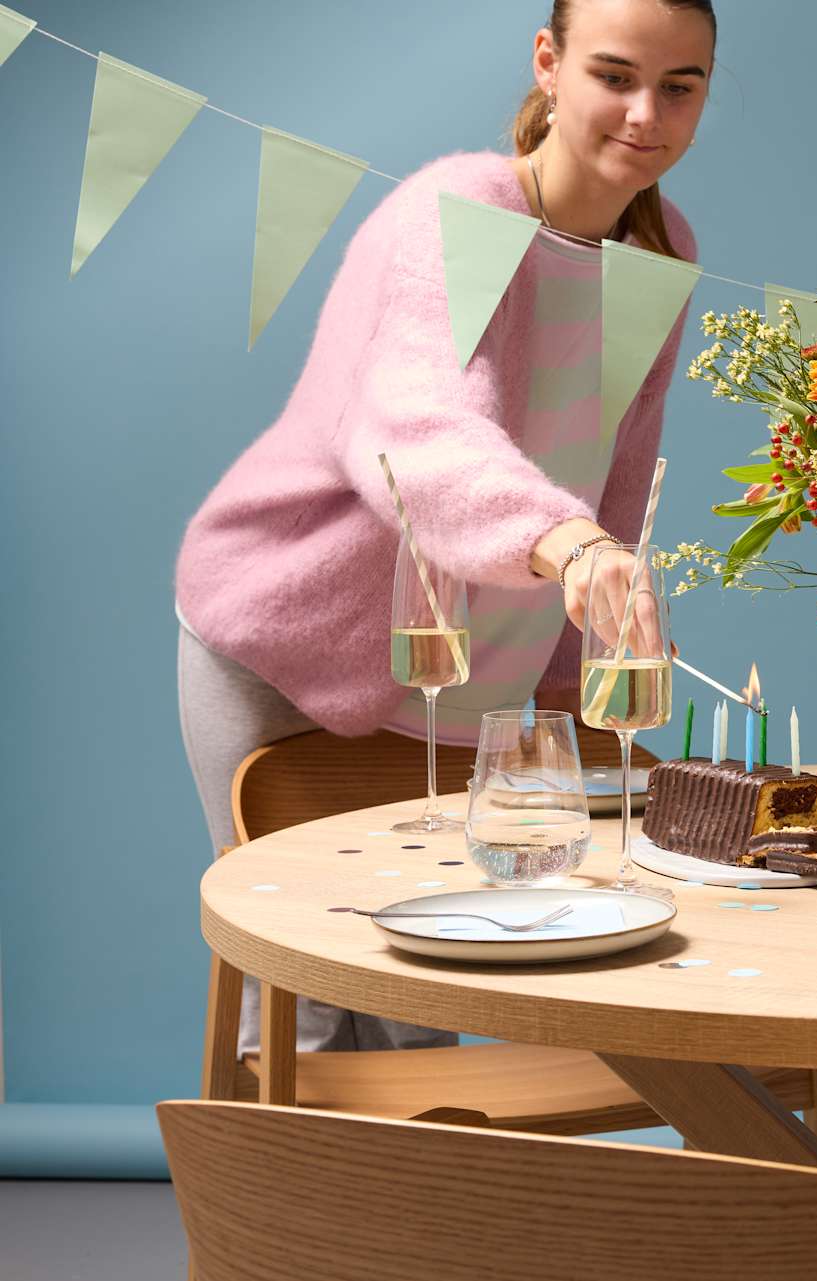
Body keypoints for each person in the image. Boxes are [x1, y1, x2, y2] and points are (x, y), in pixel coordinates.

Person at [174, 0, 716, 1052]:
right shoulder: (450, 212)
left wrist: (582, 660)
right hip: (293, 636)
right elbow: (416, 429)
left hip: (483, 672)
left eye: (681, 85)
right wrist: (572, 549)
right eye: (614, 75)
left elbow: (619, 467)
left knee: (430, 1003)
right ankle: (281, 1215)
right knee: (308, 1005)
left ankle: (420, 1216)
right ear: (548, 65)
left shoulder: (664, 247)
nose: (647, 114)